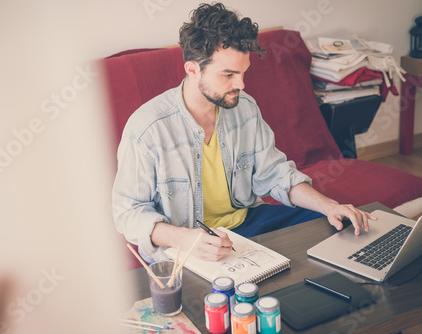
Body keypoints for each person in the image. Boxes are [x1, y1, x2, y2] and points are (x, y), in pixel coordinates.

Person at [112, 2, 377, 264]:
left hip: (248, 222)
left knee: (334, 229)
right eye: (228, 75)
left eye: (243, 73)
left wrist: (330, 206)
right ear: (193, 69)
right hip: (187, 243)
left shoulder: (244, 108)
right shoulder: (148, 128)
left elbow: (275, 175)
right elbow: (128, 213)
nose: (240, 84)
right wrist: (186, 240)